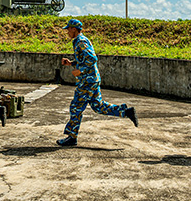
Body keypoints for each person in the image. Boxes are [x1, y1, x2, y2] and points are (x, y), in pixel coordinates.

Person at [57, 18, 138, 146]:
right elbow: (85, 59)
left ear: (74, 29)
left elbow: (92, 58)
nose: (67, 32)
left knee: (75, 107)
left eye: (68, 29)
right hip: (92, 80)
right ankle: (125, 111)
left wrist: (80, 71)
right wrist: (72, 63)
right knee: (98, 107)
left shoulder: (81, 41)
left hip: (87, 81)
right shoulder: (79, 41)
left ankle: (72, 137)